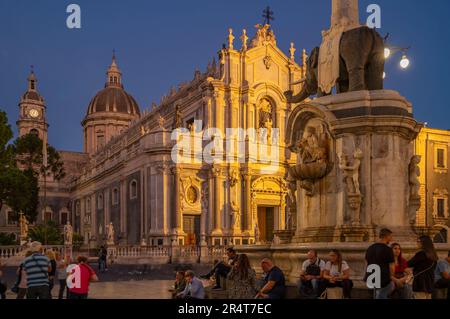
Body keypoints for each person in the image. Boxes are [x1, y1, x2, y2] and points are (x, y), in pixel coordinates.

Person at [365, 228, 395, 299]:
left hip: (371, 278)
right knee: (385, 291)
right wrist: (391, 277)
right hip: (383, 278)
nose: (391, 239)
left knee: (377, 295)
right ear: (386, 236)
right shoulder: (388, 249)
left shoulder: (370, 248)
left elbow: (366, 262)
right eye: (390, 236)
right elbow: (391, 266)